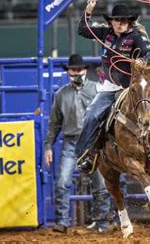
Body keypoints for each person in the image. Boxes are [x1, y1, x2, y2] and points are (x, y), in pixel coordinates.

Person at [75, 1, 150, 173]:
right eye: (117, 20)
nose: (120, 23)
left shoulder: (136, 37)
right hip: (111, 86)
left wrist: (143, 60)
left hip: (137, 86)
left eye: (124, 20)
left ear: (129, 22)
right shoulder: (105, 33)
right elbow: (82, 30)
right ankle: (87, 153)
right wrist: (88, 11)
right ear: (111, 22)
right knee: (92, 115)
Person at [44, 54, 102, 233]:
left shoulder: (97, 90)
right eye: (73, 69)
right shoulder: (61, 94)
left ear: (85, 70)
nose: (77, 72)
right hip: (71, 142)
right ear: (68, 71)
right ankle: (63, 221)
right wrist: (48, 146)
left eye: (79, 69)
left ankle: (102, 221)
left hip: (93, 141)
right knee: (62, 181)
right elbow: (54, 123)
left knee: (100, 182)